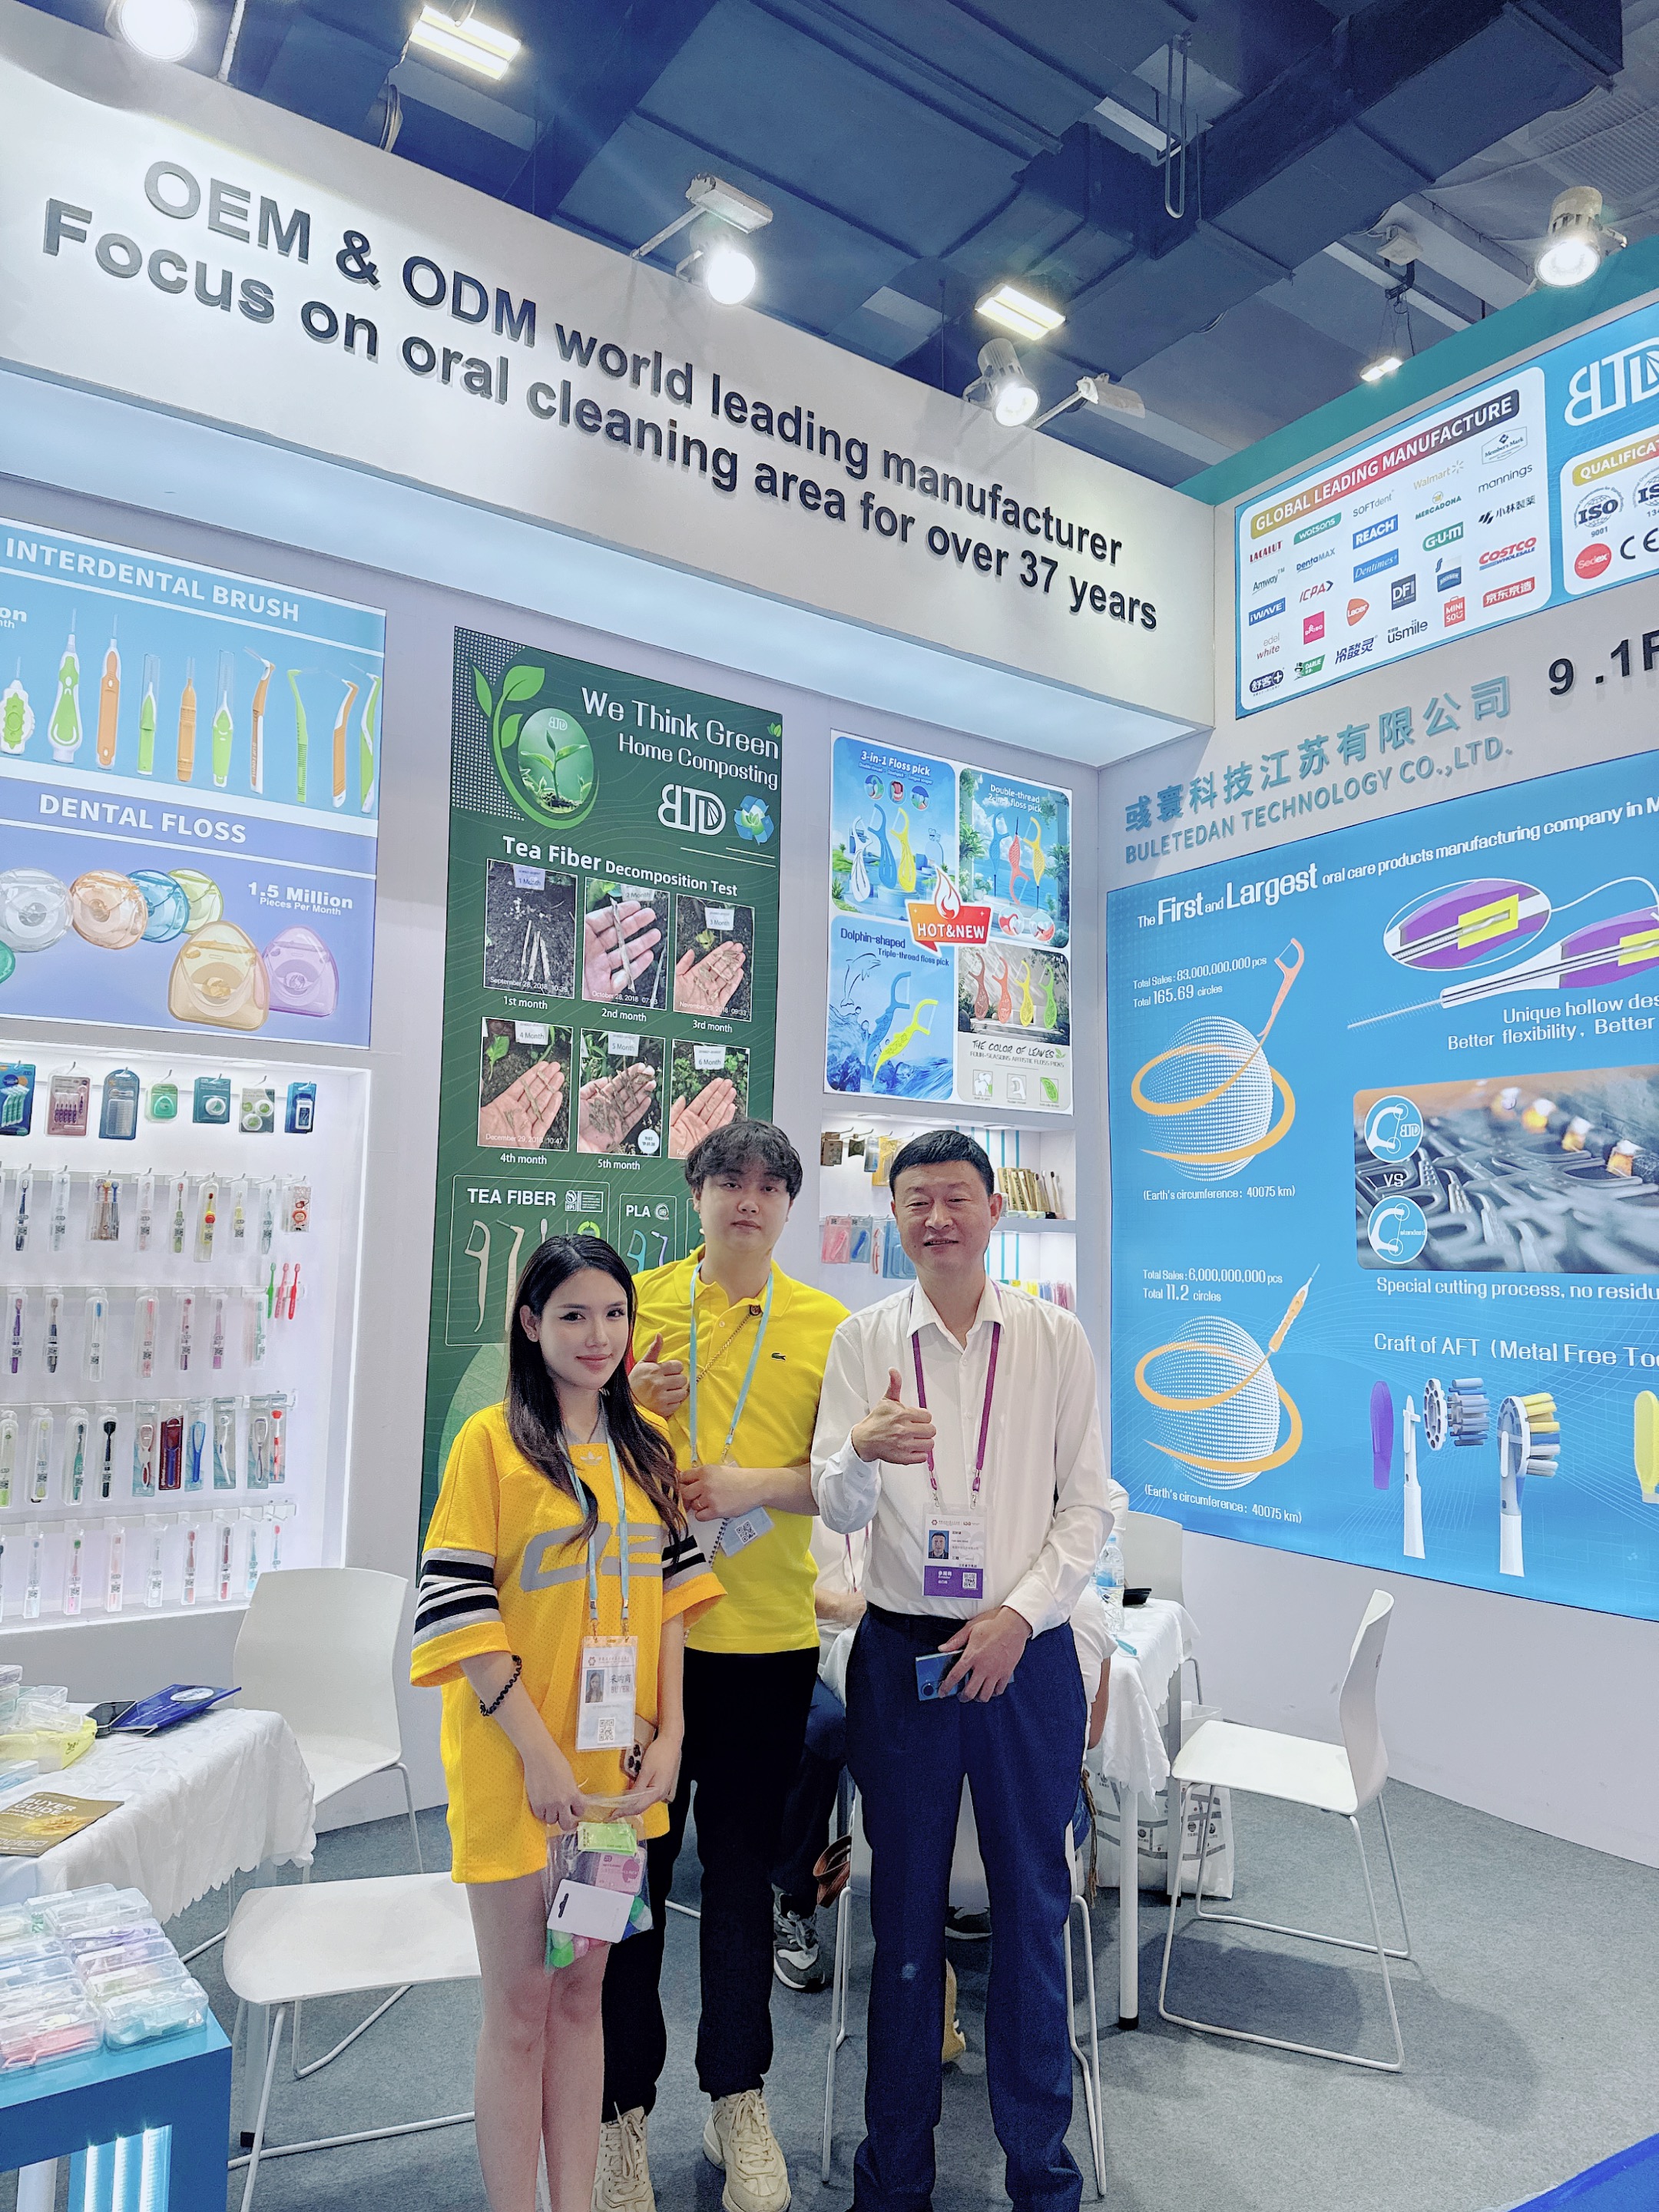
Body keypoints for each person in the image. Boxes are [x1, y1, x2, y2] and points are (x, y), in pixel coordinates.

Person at [811, 1129, 1111, 2212]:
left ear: (994, 1209)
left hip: (1023, 1656)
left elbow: (1089, 1507)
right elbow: (833, 1504)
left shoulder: (1054, 1338)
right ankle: (893, 2179)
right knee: (902, 1923)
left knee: (1032, 1911)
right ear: (894, 1218)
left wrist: (1019, 1618)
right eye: (916, 1202)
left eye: (955, 1197)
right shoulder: (863, 1340)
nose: (937, 1218)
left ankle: (1043, 2176)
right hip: (904, 1654)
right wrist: (860, 1454)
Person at [412, 1236, 722, 2212]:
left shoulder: (649, 1447)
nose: (599, 1336)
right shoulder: (489, 1443)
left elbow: (673, 1607)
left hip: (613, 1788)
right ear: (530, 1323)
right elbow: (465, 1619)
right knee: (518, 2010)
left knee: (583, 1997)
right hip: (517, 1774)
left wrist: (672, 1738)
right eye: (574, 1315)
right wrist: (541, 1760)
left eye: (614, 1314)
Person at [598, 1121, 849, 2212]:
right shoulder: (629, 1305)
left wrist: (754, 1487)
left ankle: (737, 2097)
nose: (748, 1199)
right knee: (627, 1882)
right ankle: (618, 2111)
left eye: (768, 1185)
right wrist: (627, 1409)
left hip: (763, 1644)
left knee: (743, 1881)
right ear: (694, 1194)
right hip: (632, 1646)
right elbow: (558, 1446)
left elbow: (846, 1484)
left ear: (789, 1206)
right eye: (728, 1181)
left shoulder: (828, 1326)